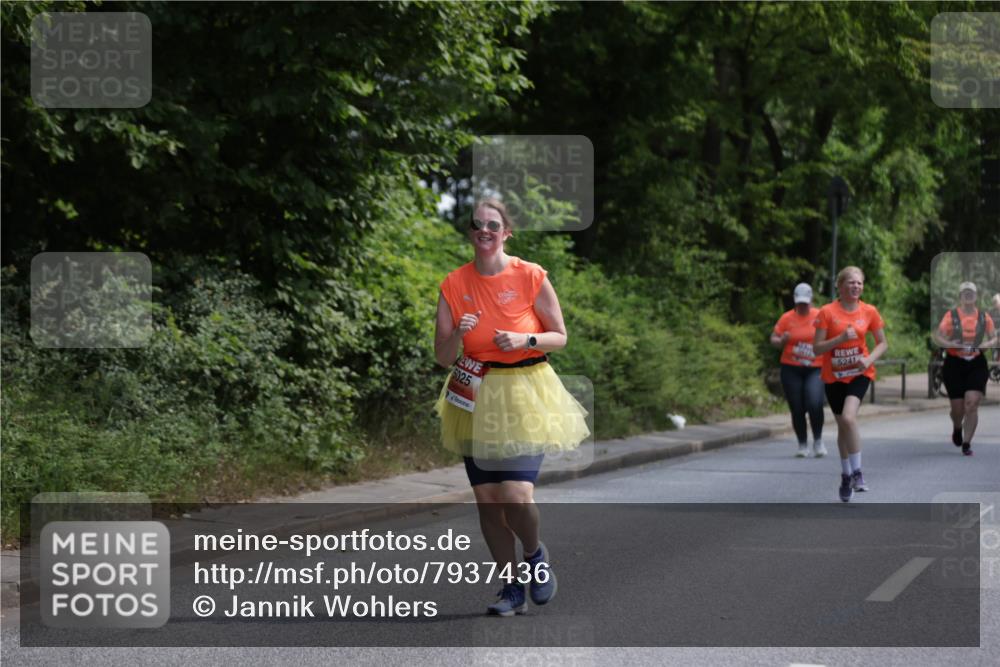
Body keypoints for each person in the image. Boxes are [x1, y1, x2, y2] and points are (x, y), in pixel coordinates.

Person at [434, 199, 590, 616]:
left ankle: (535, 555)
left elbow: (560, 336)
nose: (484, 230)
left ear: (506, 233)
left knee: (516, 495)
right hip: (474, 393)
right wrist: (458, 335)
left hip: (525, 391)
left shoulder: (530, 275)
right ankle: (511, 588)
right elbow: (442, 355)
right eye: (477, 225)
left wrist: (526, 340)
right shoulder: (453, 283)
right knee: (488, 502)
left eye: (493, 225)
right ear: (470, 233)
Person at [812, 266, 888, 502]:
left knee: (848, 418)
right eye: (851, 283)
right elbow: (817, 348)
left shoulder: (869, 311)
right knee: (842, 427)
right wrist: (840, 339)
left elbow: (882, 343)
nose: (856, 287)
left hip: (859, 373)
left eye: (859, 283)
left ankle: (857, 473)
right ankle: (845, 475)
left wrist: (868, 359)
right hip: (833, 376)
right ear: (840, 285)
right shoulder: (826, 312)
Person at [932, 282, 997, 456]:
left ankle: (967, 443)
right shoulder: (951, 316)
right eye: (965, 293)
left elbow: (994, 338)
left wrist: (985, 345)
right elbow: (938, 336)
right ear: (960, 297)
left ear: (976, 297)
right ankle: (957, 426)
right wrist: (949, 343)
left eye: (971, 293)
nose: (968, 296)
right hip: (954, 363)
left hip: (976, 363)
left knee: (972, 403)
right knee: (958, 408)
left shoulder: (984, 317)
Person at [770, 283, 827, 458]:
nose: (802, 306)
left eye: (805, 303)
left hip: (815, 368)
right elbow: (774, 338)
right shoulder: (787, 318)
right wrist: (782, 341)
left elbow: (831, 336)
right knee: (797, 407)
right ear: (795, 301)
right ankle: (802, 443)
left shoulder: (819, 316)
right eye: (799, 303)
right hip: (791, 368)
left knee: (814, 401)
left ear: (811, 300)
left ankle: (818, 440)